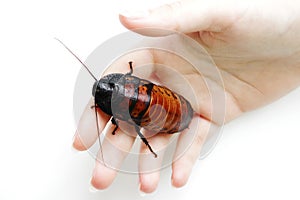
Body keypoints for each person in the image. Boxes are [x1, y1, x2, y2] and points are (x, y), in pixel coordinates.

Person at [73, 0, 300, 194]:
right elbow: (122, 114)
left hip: (166, 109)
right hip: (166, 106)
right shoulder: (129, 89)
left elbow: (121, 120)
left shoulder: (122, 108)